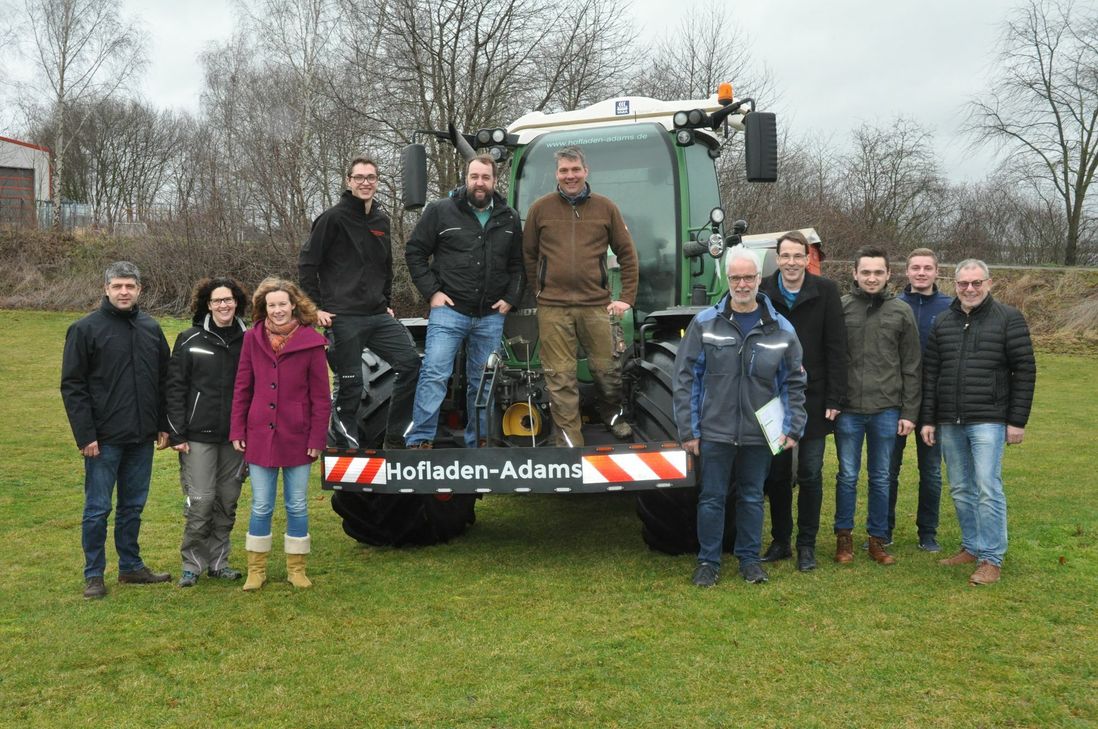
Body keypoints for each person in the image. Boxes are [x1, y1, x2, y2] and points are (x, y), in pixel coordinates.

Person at [673, 247, 807, 587]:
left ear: (759, 280)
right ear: (727, 280)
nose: (742, 284)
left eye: (749, 277)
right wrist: (689, 430)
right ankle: (708, 562)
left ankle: (749, 561)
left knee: (751, 496)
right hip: (715, 431)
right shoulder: (704, 324)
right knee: (712, 498)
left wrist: (792, 427)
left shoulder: (780, 328)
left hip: (758, 433)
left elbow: (794, 381)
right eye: (736, 278)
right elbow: (686, 378)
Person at [61, 261, 172, 599]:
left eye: (130, 286)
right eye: (118, 286)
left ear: (139, 290)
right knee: (97, 509)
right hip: (103, 440)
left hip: (141, 437)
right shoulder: (85, 329)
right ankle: (94, 574)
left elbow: (164, 381)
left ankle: (131, 567)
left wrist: (163, 425)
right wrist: (86, 435)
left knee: (132, 506)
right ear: (106, 288)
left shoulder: (151, 329)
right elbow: (73, 386)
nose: (124, 292)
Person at [921, 259, 1035, 585]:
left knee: (987, 487)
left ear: (989, 283)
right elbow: (932, 375)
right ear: (954, 285)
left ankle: (991, 558)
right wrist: (928, 419)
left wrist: (1017, 421)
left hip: (989, 418)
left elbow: (1024, 371)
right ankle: (971, 546)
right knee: (960, 488)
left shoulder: (1009, 319)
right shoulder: (943, 322)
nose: (969, 289)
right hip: (949, 420)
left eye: (976, 283)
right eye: (963, 284)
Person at [299, 155, 420, 449]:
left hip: (378, 315)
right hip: (342, 317)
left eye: (371, 178)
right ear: (349, 181)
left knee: (411, 364)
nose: (366, 183)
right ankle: (347, 444)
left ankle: (394, 437)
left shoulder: (381, 219)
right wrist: (315, 308)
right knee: (351, 384)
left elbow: (385, 265)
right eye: (360, 178)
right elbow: (307, 264)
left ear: (377, 181)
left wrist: (386, 301)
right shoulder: (332, 218)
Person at [404, 155, 525, 448]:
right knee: (434, 374)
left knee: (482, 382)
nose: (479, 183)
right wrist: (432, 292)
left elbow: (519, 264)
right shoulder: (440, 211)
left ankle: (479, 442)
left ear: (495, 180)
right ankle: (421, 440)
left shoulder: (509, 217)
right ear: (466, 179)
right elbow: (415, 252)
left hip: (490, 316)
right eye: (474, 177)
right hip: (449, 313)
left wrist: (510, 298)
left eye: (485, 177)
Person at [522, 146, 639, 447]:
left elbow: (627, 253)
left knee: (607, 370)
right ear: (557, 174)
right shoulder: (540, 209)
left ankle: (612, 413)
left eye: (575, 170)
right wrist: (540, 290)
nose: (570, 176)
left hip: (595, 305)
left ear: (586, 171)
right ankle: (570, 442)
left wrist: (626, 297)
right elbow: (529, 255)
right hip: (553, 308)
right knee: (560, 377)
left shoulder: (606, 208)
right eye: (564, 170)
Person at [231, 278, 331, 590]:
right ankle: (256, 570)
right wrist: (237, 428)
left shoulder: (312, 341)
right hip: (259, 433)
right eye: (271, 305)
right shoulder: (251, 339)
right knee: (261, 504)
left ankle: (296, 569)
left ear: (294, 306)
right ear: (264, 308)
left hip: (298, 437)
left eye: (282, 304)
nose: (277, 310)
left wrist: (317, 439)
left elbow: (321, 397)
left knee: (297, 504)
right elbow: (242, 387)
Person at [758, 231, 847, 572]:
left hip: (814, 397)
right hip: (772, 397)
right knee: (777, 473)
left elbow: (837, 347)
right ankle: (781, 540)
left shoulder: (825, 292)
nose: (792, 263)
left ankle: (806, 544)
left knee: (810, 472)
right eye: (786, 256)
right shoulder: (763, 289)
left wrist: (835, 396)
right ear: (777, 258)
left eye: (798, 256)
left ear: (807, 258)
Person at [834, 246, 921, 566]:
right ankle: (844, 538)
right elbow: (832, 358)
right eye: (866, 272)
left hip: (887, 409)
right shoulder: (841, 308)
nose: (872, 278)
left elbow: (912, 365)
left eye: (878, 272)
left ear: (888, 275)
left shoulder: (901, 311)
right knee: (847, 475)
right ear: (855, 274)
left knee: (882, 476)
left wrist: (910, 412)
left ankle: (877, 539)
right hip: (849, 410)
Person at [165, 276, 250, 587]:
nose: (223, 305)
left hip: (236, 438)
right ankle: (192, 563)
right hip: (197, 436)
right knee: (201, 501)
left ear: (237, 302)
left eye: (228, 299)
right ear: (207, 305)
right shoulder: (189, 339)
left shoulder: (251, 340)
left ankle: (218, 561)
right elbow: (175, 388)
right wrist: (177, 433)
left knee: (227, 502)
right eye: (217, 301)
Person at [885, 248, 952, 552]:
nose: (921, 272)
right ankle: (883, 529)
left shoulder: (950, 307)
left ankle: (928, 533)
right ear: (906, 271)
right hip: (895, 400)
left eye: (927, 267)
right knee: (888, 469)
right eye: (916, 267)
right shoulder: (894, 305)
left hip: (934, 402)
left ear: (936, 272)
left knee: (931, 472)